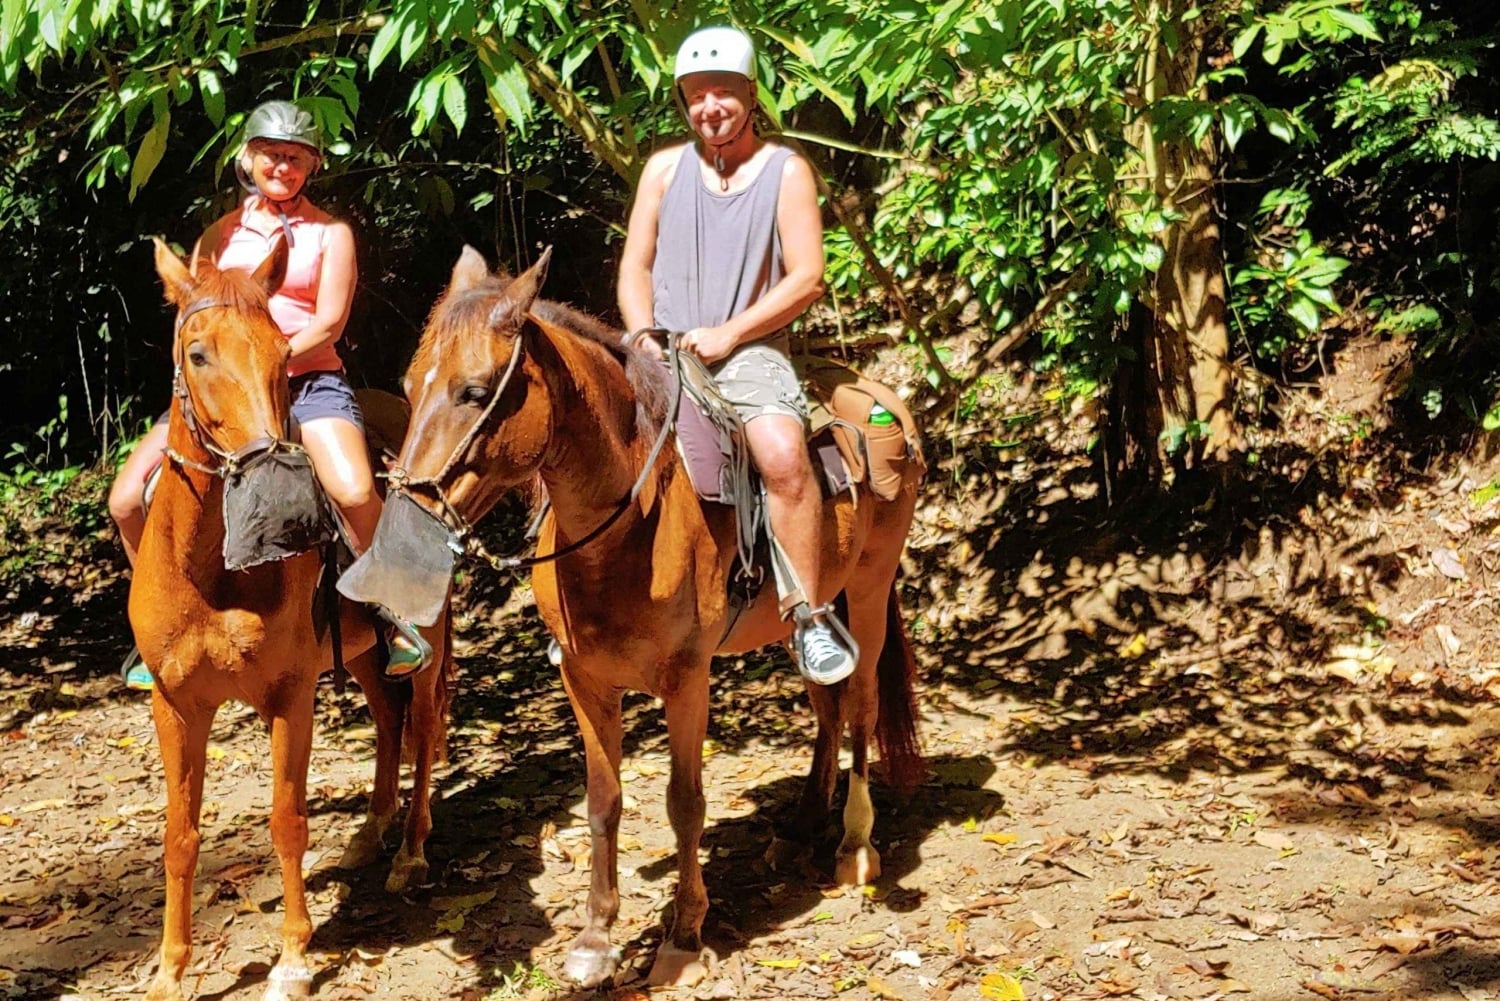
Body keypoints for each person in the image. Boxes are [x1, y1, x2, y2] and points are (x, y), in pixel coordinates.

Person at [108, 99, 426, 690]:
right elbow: (191, 316)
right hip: (222, 390)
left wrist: (269, 364)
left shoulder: (332, 234)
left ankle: (397, 612)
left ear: (311, 167)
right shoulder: (218, 235)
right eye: (273, 155)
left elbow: (329, 323)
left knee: (355, 489)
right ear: (248, 159)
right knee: (127, 499)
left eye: (296, 158)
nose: (284, 166)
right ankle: (152, 629)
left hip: (307, 380)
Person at [617, 25, 856, 686]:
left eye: (722, 92)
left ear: (751, 97)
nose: (708, 107)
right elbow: (634, 266)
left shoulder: (786, 171)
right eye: (696, 96)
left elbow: (807, 276)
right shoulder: (663, 170)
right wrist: (640, 333)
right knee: (591, 446)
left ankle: (808, 615)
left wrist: (730, 333)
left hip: (747, 353)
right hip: (661, 351)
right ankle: (579, 614)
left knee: (782, 454)